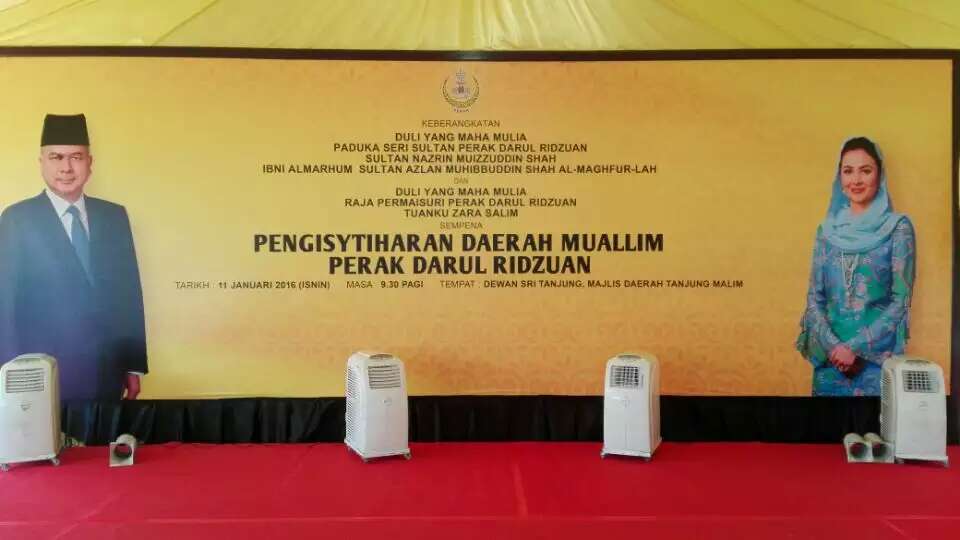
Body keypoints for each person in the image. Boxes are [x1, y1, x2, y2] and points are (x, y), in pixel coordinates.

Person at [0, 114, 147, 401]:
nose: (66, 168)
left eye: (76, 157)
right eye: (56, 157)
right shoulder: (17, 219)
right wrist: (9, 374)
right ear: (41, 162)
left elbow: (128, 293)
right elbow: (5, 302)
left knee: (102, 432)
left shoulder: (113, 216)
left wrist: (132, 365)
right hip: (43, 373)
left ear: (90, 163)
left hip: (107, 370)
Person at [796, 136, 915, 396]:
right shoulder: (826, 231)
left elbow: (901, 301)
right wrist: (834, 348)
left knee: (875, 423)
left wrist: (854, 348)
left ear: (879, 175)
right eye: (848, 171)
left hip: (876, 364)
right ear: (839, 177)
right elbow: (814, 298)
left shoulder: (897, 228)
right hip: (830, 364)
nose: (856, 180)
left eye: (866, 170)